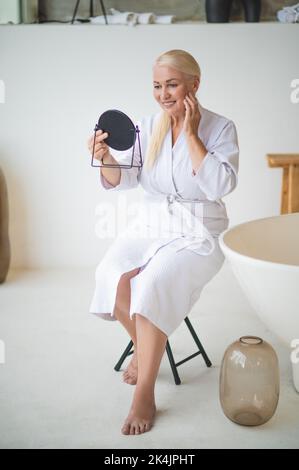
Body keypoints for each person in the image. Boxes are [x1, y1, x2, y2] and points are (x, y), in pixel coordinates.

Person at [87, 49, 239, 436]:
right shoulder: (148, 124)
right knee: (111, 274)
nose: (164, 94)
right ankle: (144, 347)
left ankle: (145, 393)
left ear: (194, 84)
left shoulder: (221, 128)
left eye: (172, 84)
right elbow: (126, 180)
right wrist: (105, 158)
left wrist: (189, 133)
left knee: (152, 284)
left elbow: (222, 185)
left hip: (200, 231)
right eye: (157, 85)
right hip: (153, 222)